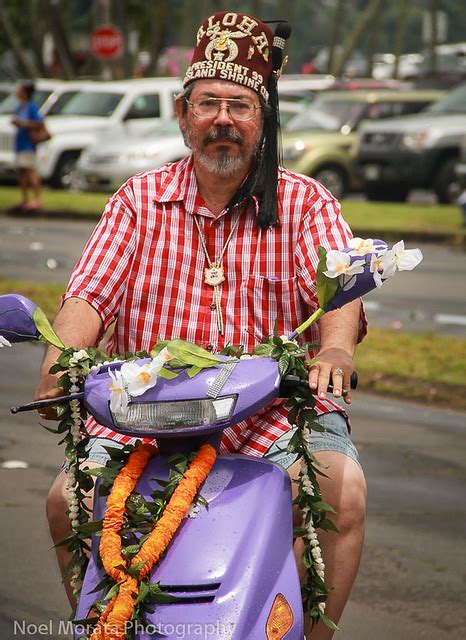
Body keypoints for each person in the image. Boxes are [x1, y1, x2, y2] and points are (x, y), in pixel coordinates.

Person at [36, 12, 367, 639]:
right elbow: (88, 295)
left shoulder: (302, 201)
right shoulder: (139, 200)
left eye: (239, 105)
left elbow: (342, 281)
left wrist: (338, 350)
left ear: (262, 119)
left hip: (272, 418)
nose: (223, 119)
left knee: (341, 489)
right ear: (183, 113)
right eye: (208, 102)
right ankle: (108, 626)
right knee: (67, 498)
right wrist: (59, 364)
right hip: (147, 419)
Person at [11, 80, 43, 211]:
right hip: (20, 144)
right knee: (22, 172)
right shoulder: (20, 106)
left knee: (30, 171)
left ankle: (36, 200)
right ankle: (25, 200)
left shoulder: (31, 106)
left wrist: (22, 123)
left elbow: (38, 123)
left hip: (28, 145)